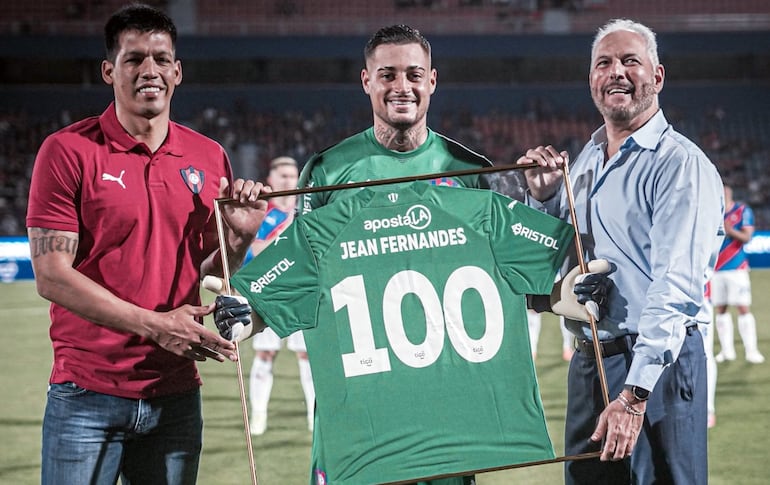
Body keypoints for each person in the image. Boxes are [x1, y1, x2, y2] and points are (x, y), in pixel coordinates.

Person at [25, 5, 268, 484]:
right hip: (87, 392)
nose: (149, 70)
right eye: (134, 59)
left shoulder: (208, 155)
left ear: (177, 71)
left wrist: (238, 236)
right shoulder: (68, 150)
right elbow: (52, 274)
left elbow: (210, 273)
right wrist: (155, 325)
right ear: (109, 70)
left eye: (161, 58)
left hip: (174, 394)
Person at [517, 18, 724, 485]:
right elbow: (560, 267)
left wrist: (635, 395)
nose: (616, 72)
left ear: (658, 76)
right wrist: (545, 198)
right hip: (590, 360)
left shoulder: (681, 165)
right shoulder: (587, 158)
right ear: (591, 79)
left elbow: (676, 287)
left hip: (654, 370)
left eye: (631, 61)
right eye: (604, 63)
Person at [246, 156, 316, 435]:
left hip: (301, 290)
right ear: (271, 179)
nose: (289, 180)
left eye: (293, 175)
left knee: (307, 356)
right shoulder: (262, 212)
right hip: (268, 292)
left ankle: (313, 417)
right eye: (283, 175)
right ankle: (259, 415)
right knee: (265, 353)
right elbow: (255, 251)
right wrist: (289, 239)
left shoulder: (308, 210)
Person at [712, 184, 765, 364]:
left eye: (726, 191)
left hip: (737, 268)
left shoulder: (742, 210)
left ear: (730, 192)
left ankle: (751, 350)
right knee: (720, 309)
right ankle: (727, 351)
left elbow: (747, 237)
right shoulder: (713, 212)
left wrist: (730, 230)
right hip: (716, 269)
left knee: (743, 308)